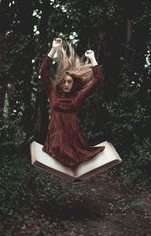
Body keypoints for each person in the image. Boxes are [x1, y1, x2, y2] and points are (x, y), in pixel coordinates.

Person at [40, 37, 105, 169]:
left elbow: (98, 78)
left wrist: (92, 58)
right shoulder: (53, 93)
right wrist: (53, 49)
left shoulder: (78, 96)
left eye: (69, 82)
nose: (66, 84)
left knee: (74, 164)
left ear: (73, 83)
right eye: (64, 81)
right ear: (60, 82)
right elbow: (43, 72)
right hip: (55, 139)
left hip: (73, 141)